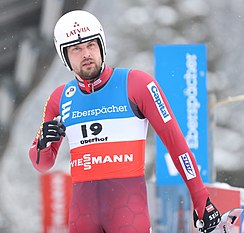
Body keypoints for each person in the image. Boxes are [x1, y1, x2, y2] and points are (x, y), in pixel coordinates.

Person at [29, 10, 221, 233]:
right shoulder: (59, 98)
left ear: (102, 46)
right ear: (65, 57)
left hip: (129, 215)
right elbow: (42, 164)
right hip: (82, 218)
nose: (86, 54)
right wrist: (42, 144)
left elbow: (177, 144)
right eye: (76, 49)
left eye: (91, 45)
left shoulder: (137, 84)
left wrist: (201, 199)